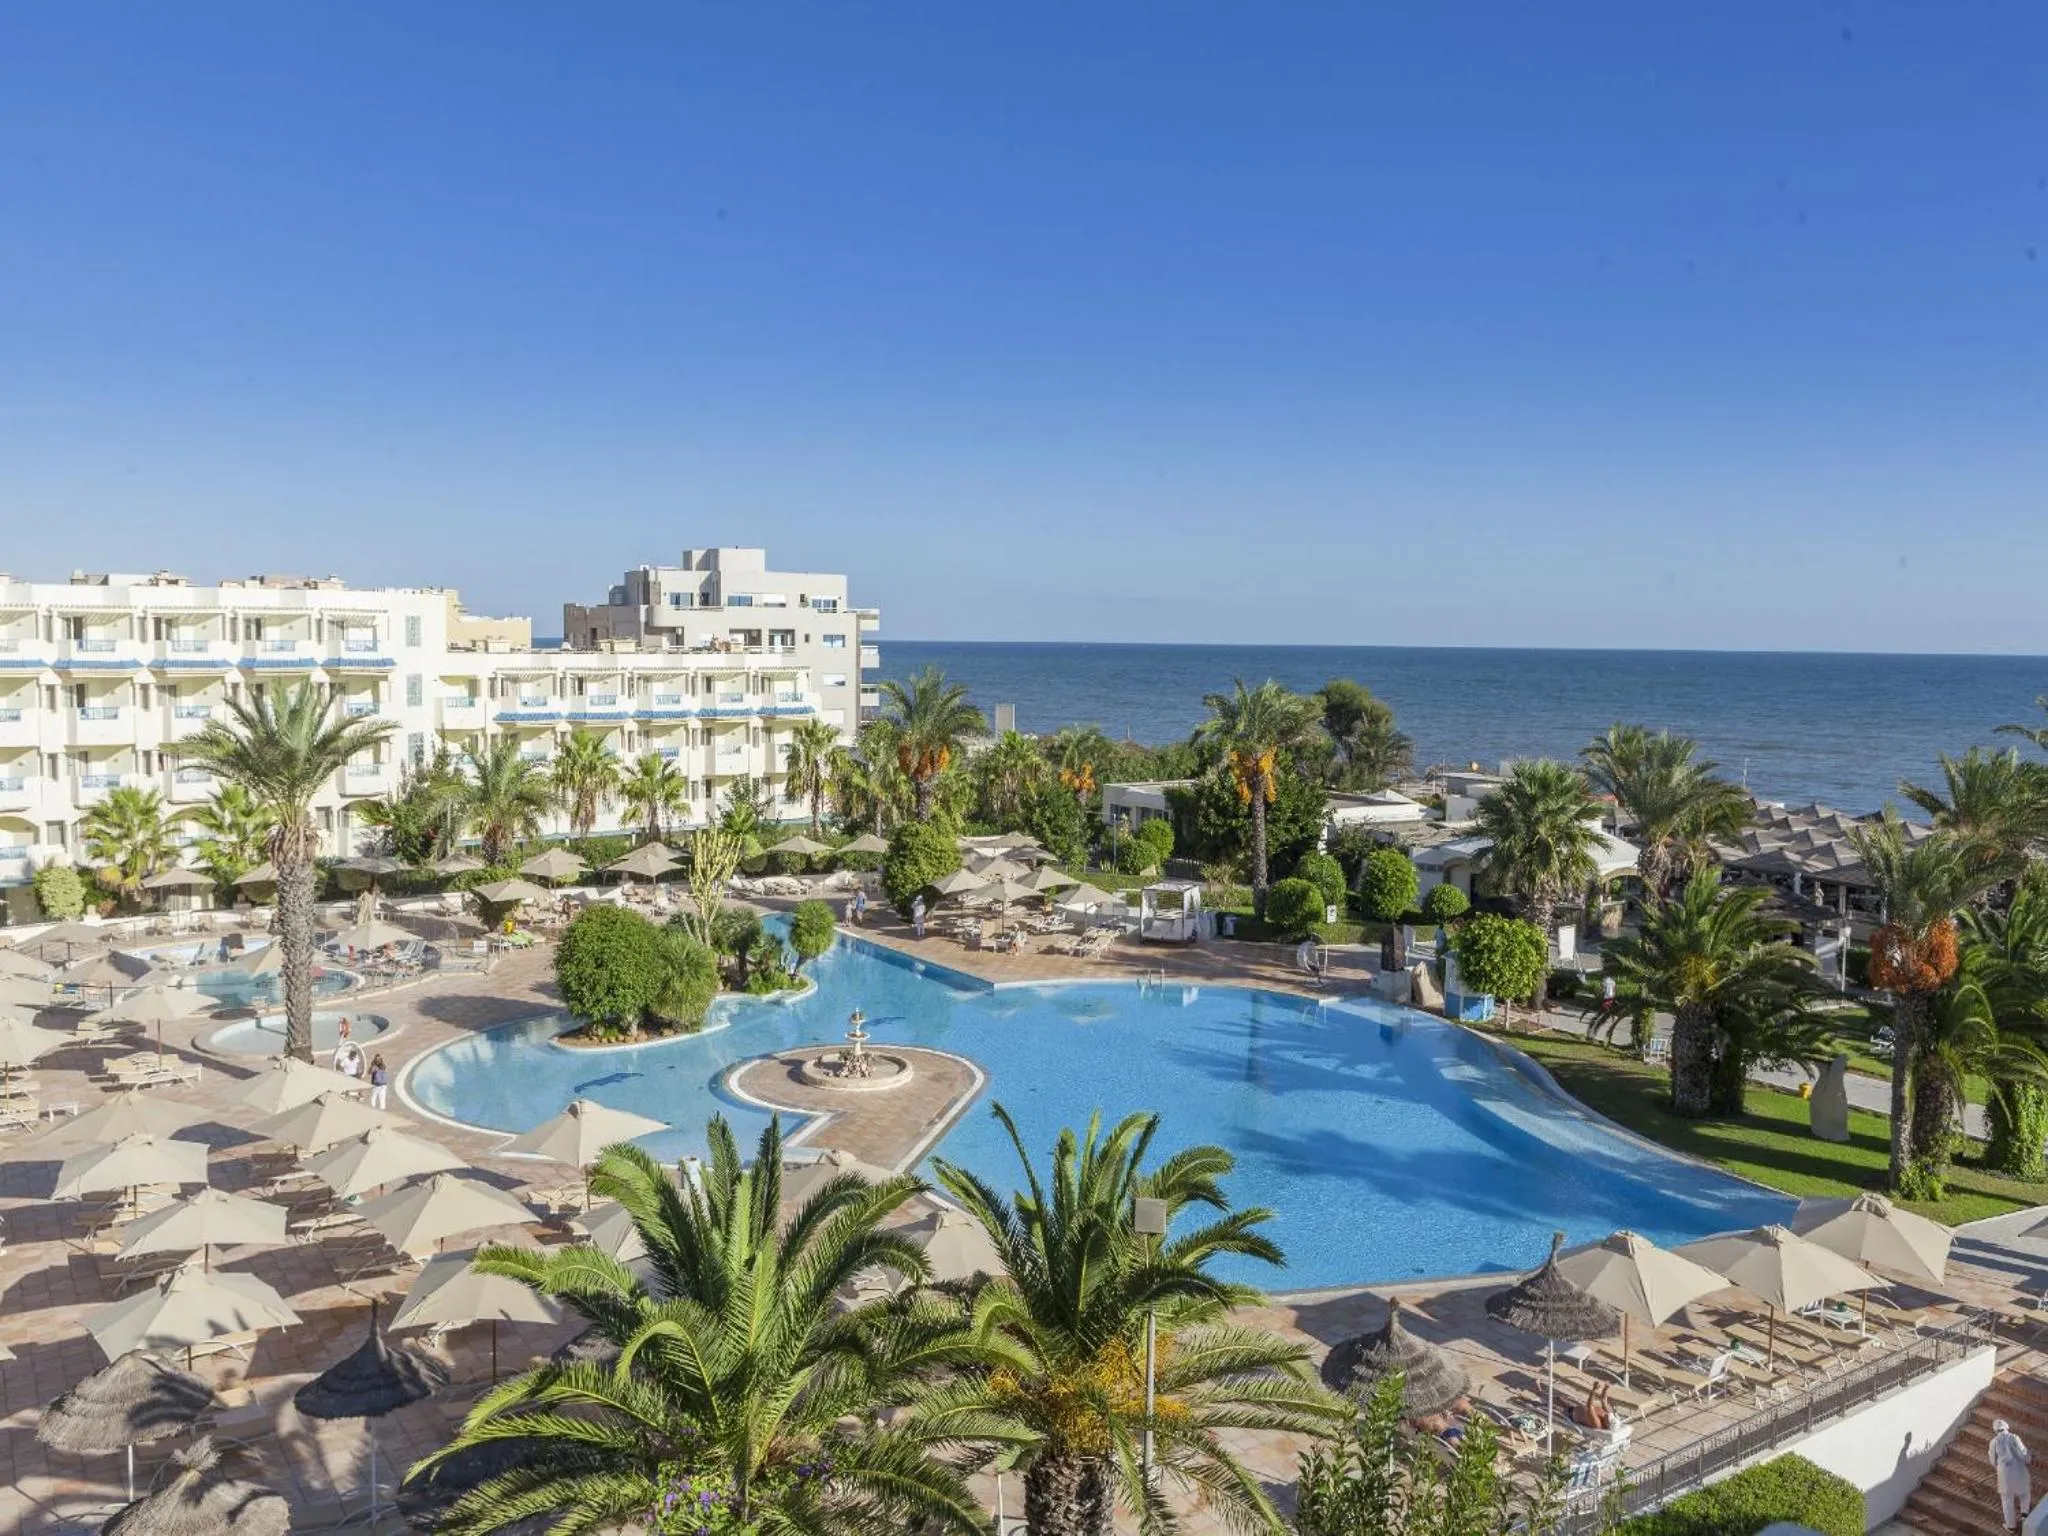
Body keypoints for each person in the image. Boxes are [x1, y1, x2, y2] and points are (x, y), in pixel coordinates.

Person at [1992, 1418, 2033, 1531]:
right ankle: (2025, 1515)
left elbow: (1992, 1460)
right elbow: (2023, 1453)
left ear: (1995, 1430)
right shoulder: (2014, 1437)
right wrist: (2029, 1459)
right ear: (2007, 1427)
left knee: (2007, 1500)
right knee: (2024, 1493)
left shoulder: (1994, 1442)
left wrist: (1999, 1467)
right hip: (2019, 1471)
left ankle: (2011, 1526)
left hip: (2004, 1475)